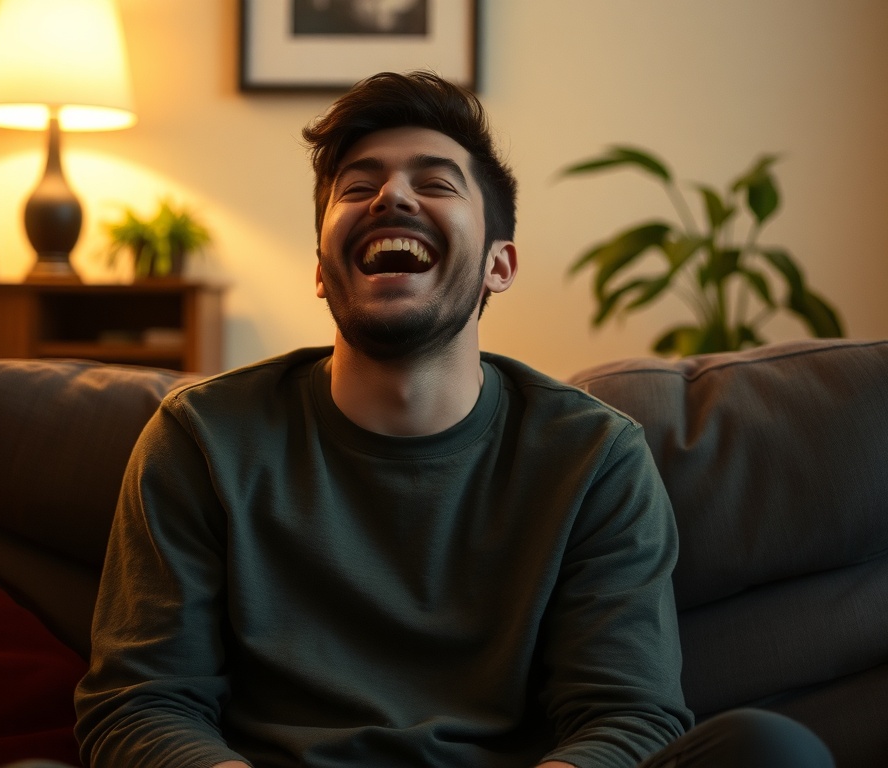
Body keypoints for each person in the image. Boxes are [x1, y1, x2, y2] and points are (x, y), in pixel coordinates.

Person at [74, 71, 833, 768]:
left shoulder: (595, 458)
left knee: (770, 750)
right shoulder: (201, 439)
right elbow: (140, 705)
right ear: (320, 267)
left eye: (434, 182)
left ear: (500, 265)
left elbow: (628, 716)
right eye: (357, 185)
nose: (390, 197)